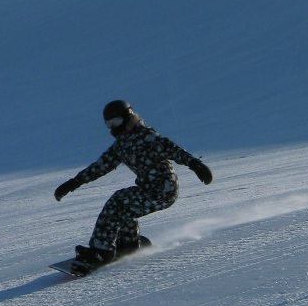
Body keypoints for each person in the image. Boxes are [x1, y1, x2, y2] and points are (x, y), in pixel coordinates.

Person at [54, 99, 213, 268]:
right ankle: (129, 244)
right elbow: (101, 166)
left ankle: (101, 251)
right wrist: (74, 182)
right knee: (124, 207)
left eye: (116, 121)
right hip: (148, 189)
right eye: (109, 124)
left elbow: (172, 149)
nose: (113, 127)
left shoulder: (147, 136)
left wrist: (196, 164)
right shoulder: (121, 145)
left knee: (118, 201)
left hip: (163, 190)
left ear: (127, 117)